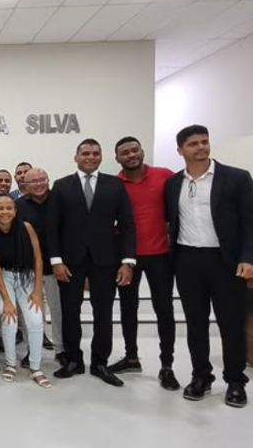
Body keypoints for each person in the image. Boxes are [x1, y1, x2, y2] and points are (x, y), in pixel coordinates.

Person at [165, 125, 253, 408]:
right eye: (193, 144)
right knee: (195, 324)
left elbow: (250, 221)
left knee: (231, 323)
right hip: (188, 261)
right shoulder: (173, 183)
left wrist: (248, 257)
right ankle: (201, 376)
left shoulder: (237, 178)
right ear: (180, 150)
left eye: (204, 141)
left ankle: (235, 380)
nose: (201, 147)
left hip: (226, 262)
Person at [48, 138, 136, 387]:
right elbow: (53, 227)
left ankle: (100, 363)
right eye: (85, 153)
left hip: (106, 261)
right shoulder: (61, 186)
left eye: (95, 153)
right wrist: (56, 261)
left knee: (103, 314)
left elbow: (127, 225)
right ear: (76, 157)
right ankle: (73, 360)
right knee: (70, 313)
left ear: (101, 157)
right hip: (70, 262)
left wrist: (127, 261)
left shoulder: (115, 185)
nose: (90, 157)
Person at [109, 137, 180, 390]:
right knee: (128, 308)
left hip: (161, 255)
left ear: (142, 151)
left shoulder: (165, 176)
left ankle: (167, 365)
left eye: (134, 150)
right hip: (127, 258)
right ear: (117, 158)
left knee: (164, 310)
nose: (131, 155)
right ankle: (131, 358)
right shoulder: (114, 185)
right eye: (125, 153)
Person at [0, 195, 50, 389]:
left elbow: (38, 260)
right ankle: (11, 364)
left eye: (9, 208)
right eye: (0, 208)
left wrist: (37, 291)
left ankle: (35, 368)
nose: (5, 212)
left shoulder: (27, 228)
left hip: (27, 277)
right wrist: (7, 301)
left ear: (14, 211)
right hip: (3, 279)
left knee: (35, 320)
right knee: (9, 320)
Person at [16, 168, 66, 366]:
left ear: (48, 180)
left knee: (58, 310)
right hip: (29, 269)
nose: (38, 184)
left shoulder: (59, 201)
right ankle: (32, 350)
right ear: (25, 185)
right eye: (33, 181)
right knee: (32, 314)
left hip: (56, 268)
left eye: (42, 180)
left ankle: (61, 349)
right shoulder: (18, 205)